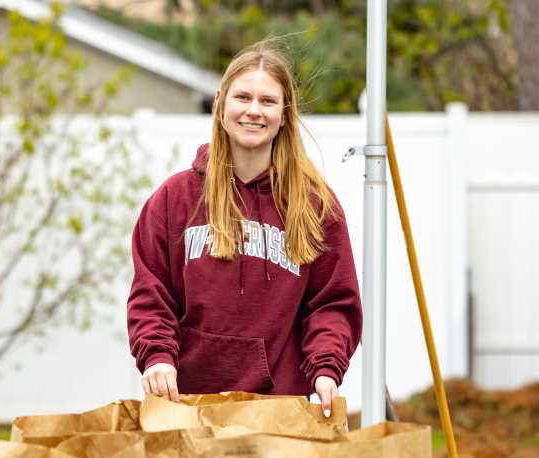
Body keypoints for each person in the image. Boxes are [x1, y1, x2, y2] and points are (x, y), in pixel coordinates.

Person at [126, 40, 362, 417]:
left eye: (268, 101)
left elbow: (331, 303)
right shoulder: (174, 199)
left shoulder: (314, 205)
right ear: (220, 102)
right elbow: (152, 295)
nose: (254, 111)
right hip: (187, 406)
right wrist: (156, 357)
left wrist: (326, 368)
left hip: (280, 410)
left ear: (285, 114)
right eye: (243, 97)